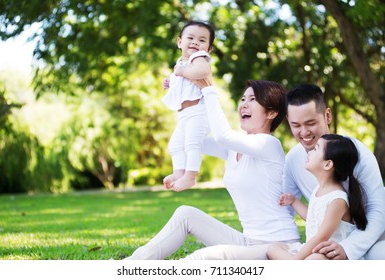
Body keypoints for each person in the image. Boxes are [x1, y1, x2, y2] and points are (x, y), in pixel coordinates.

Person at [125, 79, 300, 260]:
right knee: (186, 214)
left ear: (271, 112)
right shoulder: (234, 148)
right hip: (249, 243)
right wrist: (186, 98)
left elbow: (223, 136)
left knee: (201, 258)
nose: (244, 105)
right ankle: (130, 265)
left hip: (278, 246)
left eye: (252, 99)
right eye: (243, 99)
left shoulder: (269, 144)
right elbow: (192, 139)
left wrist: (208, 89)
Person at [283, 84, 385, 260]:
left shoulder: (358, 154)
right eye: (296, 125)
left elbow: (378, 210)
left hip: (368, 240)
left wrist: (348, 248)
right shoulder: (293, 159)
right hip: (322, 246)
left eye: (311, 123)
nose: (304, 132)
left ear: (327, 115)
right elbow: (288, 211)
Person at [267, 134, 368, 260]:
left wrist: (297, 258)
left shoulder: (337, 200)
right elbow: (313, 219)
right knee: (273, 248)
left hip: (330, 254)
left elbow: (322, 237)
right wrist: (293, 201)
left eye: (316, 149)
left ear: (327, 164)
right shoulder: (319, 190)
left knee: (313, 259)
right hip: (314, 249)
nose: (309, 152)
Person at [161, 20, 214, 192]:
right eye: (190, 38)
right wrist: (171, 82)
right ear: (179, 42)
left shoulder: (198, 58)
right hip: (184, 115)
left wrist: (182, 73)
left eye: (201, 40)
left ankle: (190, 176)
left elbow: (203, 72)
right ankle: (179, 172)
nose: (195, 43)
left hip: (198, 112)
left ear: (208, 48)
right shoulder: (181, 63)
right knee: (175, 145)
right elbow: (184, 82)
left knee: (192, 144)